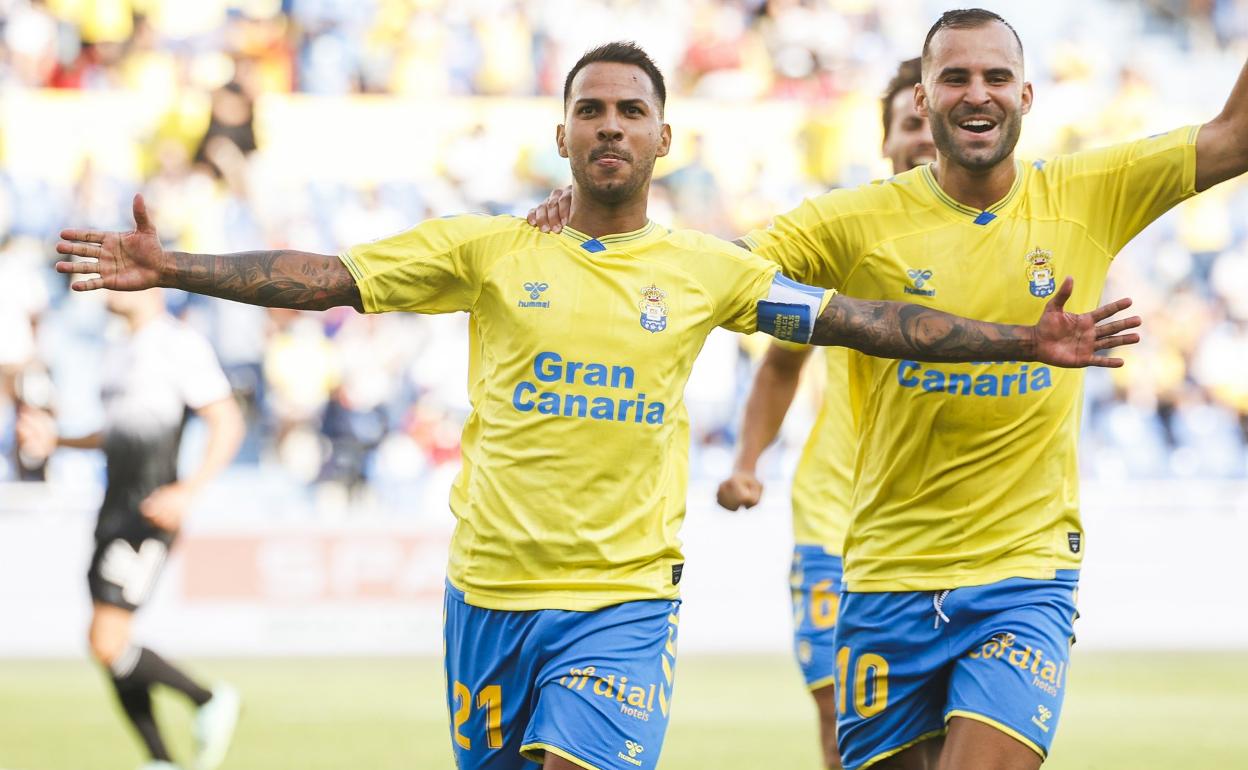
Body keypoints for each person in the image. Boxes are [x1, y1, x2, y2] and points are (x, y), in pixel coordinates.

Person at [54, 42, 1140, 770]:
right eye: (591, 110)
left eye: (633, 110)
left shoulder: (713, 268)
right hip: (486, 601)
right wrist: (176, 266)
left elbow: (865, 321)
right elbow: (326, 274)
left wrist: (1024, 341)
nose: (611, 125)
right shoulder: (488, 247)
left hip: (620, 607)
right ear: (562, 134)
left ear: (665, 138)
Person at [525, 11, 1248, 769]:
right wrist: (586, 220)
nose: (979, 94)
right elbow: (707, 272)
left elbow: (1232, 136)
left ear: (1028, 95)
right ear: (924, 100)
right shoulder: (851, 224)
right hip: (882, 576)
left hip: (1022, 573)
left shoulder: (1090, 190)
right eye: (956, 78)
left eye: (997, 77)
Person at [714, 57, 930, 770]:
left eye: (935, 121)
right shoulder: (844, 233)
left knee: (935, 736)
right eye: (910, 123)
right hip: (836, 517)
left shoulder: (1012, 230)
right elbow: (781, 364)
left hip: (948, 527)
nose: (926, 137)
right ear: (887, 142)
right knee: (844, 722)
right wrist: (747, 461)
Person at [17, 288, 245, 770]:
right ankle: (160, 758)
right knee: (105, 643)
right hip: (113, 509)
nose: (107, 285)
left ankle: (206, 699)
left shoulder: (178, 344)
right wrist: (58, 440)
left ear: (153, 285)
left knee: (106, 640)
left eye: (121, 275)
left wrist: (188, 490)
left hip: (149, 511)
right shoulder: (118, 350)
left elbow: (226, 420)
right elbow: (116, 433)